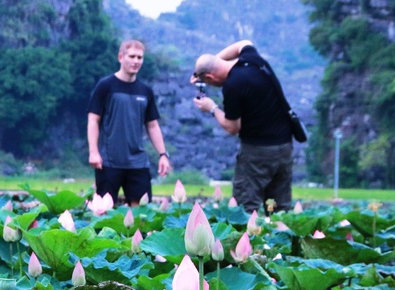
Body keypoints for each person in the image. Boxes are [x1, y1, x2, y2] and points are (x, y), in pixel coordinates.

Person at [191, 39, 294, 214]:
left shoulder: (233, 85)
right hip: (284, 146)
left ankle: (251, 240)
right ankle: (280, 238)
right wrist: (210, 63)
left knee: (246, 208)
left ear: (210, 77)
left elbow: (232, 127)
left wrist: (212, 108)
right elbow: (243, 43)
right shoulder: (253, 60)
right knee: (278, 207)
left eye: (207, 81)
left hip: (257, 153)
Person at [87, 39, 172, 206]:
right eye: (132, 56)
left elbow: (152, 125)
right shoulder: (106, 86)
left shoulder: (145, 91)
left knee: (140, 214)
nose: (136, 61)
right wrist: (93, 152)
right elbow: (93, 119)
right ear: (121, 57)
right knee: (104, 212)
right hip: (108, 161)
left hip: (137, 162)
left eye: (140, 57)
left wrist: (163, 155)